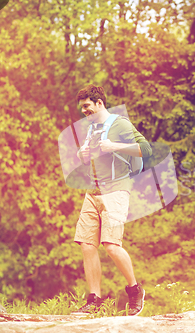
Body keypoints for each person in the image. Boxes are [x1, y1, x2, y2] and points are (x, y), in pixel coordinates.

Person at [72, 85, 151, 316]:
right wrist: (82, 156)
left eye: (87, 106)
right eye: (82, 108)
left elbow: (145, 149)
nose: (84, 111)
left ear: (99, 103)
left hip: (116, 191)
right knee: (87, 245)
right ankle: (94, 300)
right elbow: (95, 159)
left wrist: (115, 145)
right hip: (92, 192)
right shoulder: (92, 129)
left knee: (111, 246)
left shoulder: (120, 124)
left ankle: (135, 290)